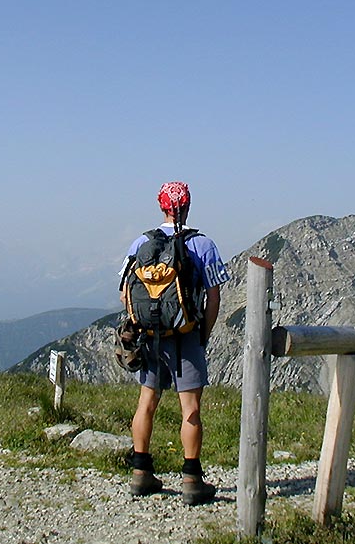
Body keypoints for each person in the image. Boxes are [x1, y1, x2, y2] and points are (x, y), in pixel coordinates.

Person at [119, 181, 230, 505]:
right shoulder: (203, 245)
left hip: (151, 336)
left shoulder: (142, 242)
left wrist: (141, 324)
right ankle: (192, 479)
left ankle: (141, 472)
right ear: (188, 206)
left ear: (161, 206)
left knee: (146, 404)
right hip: (186, 337)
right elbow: (214, 296)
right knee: (190, 410)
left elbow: (126, 291)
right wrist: (202, 334)